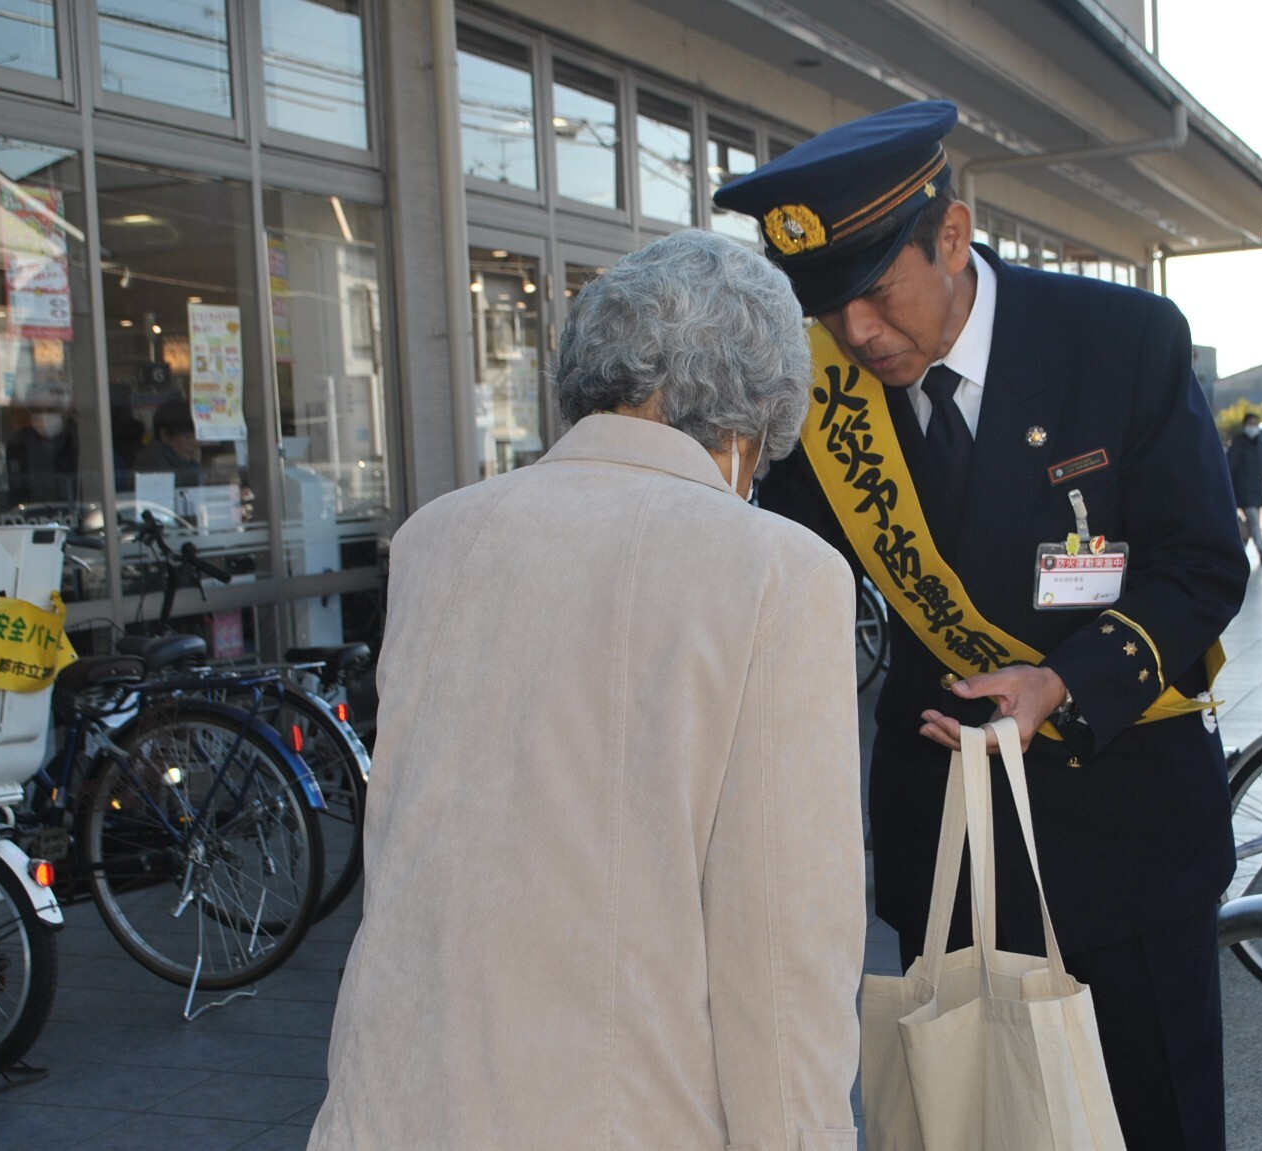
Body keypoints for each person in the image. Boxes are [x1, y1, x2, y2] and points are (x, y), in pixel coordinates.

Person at [716, 101, 1246, 1150]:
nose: (854, 336)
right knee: (970, 1123)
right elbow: (761, 560)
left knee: (1154, 1122)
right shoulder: (823, 396)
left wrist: (1063, 680)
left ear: (950, 238)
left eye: (872, 294)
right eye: (825, 311)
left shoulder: (1118, 340)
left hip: (1125, 827)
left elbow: (1201, 566)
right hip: (949, 828)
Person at [308, 230, 865, 1150]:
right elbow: (783, 942)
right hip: (632, 1113)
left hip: (397, 1101)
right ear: (752, 418)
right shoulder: (777, 571)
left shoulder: (438, 536)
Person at [4, 382, 78, 506]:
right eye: (37, 410)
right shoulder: (18, 445)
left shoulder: (80, 441)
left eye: (51, 410)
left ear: (66, 412)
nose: (44, 416)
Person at [1227, 411, 1262, 567]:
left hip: (1257, 492)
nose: (1253, 427)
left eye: (1256, 424)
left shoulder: (1260, 444)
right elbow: (1229, 467)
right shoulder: (1238, 445)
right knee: (1254, 522)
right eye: (1250, 424)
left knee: (1250, 525)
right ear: (1244, 426)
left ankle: (1239, 552)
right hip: (1242, 491)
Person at [131, 397, 204, 487]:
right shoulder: (151, 463)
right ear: (165, 435)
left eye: (197, 436)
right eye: (187, 436)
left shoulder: (179, 460)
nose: (195, 443)